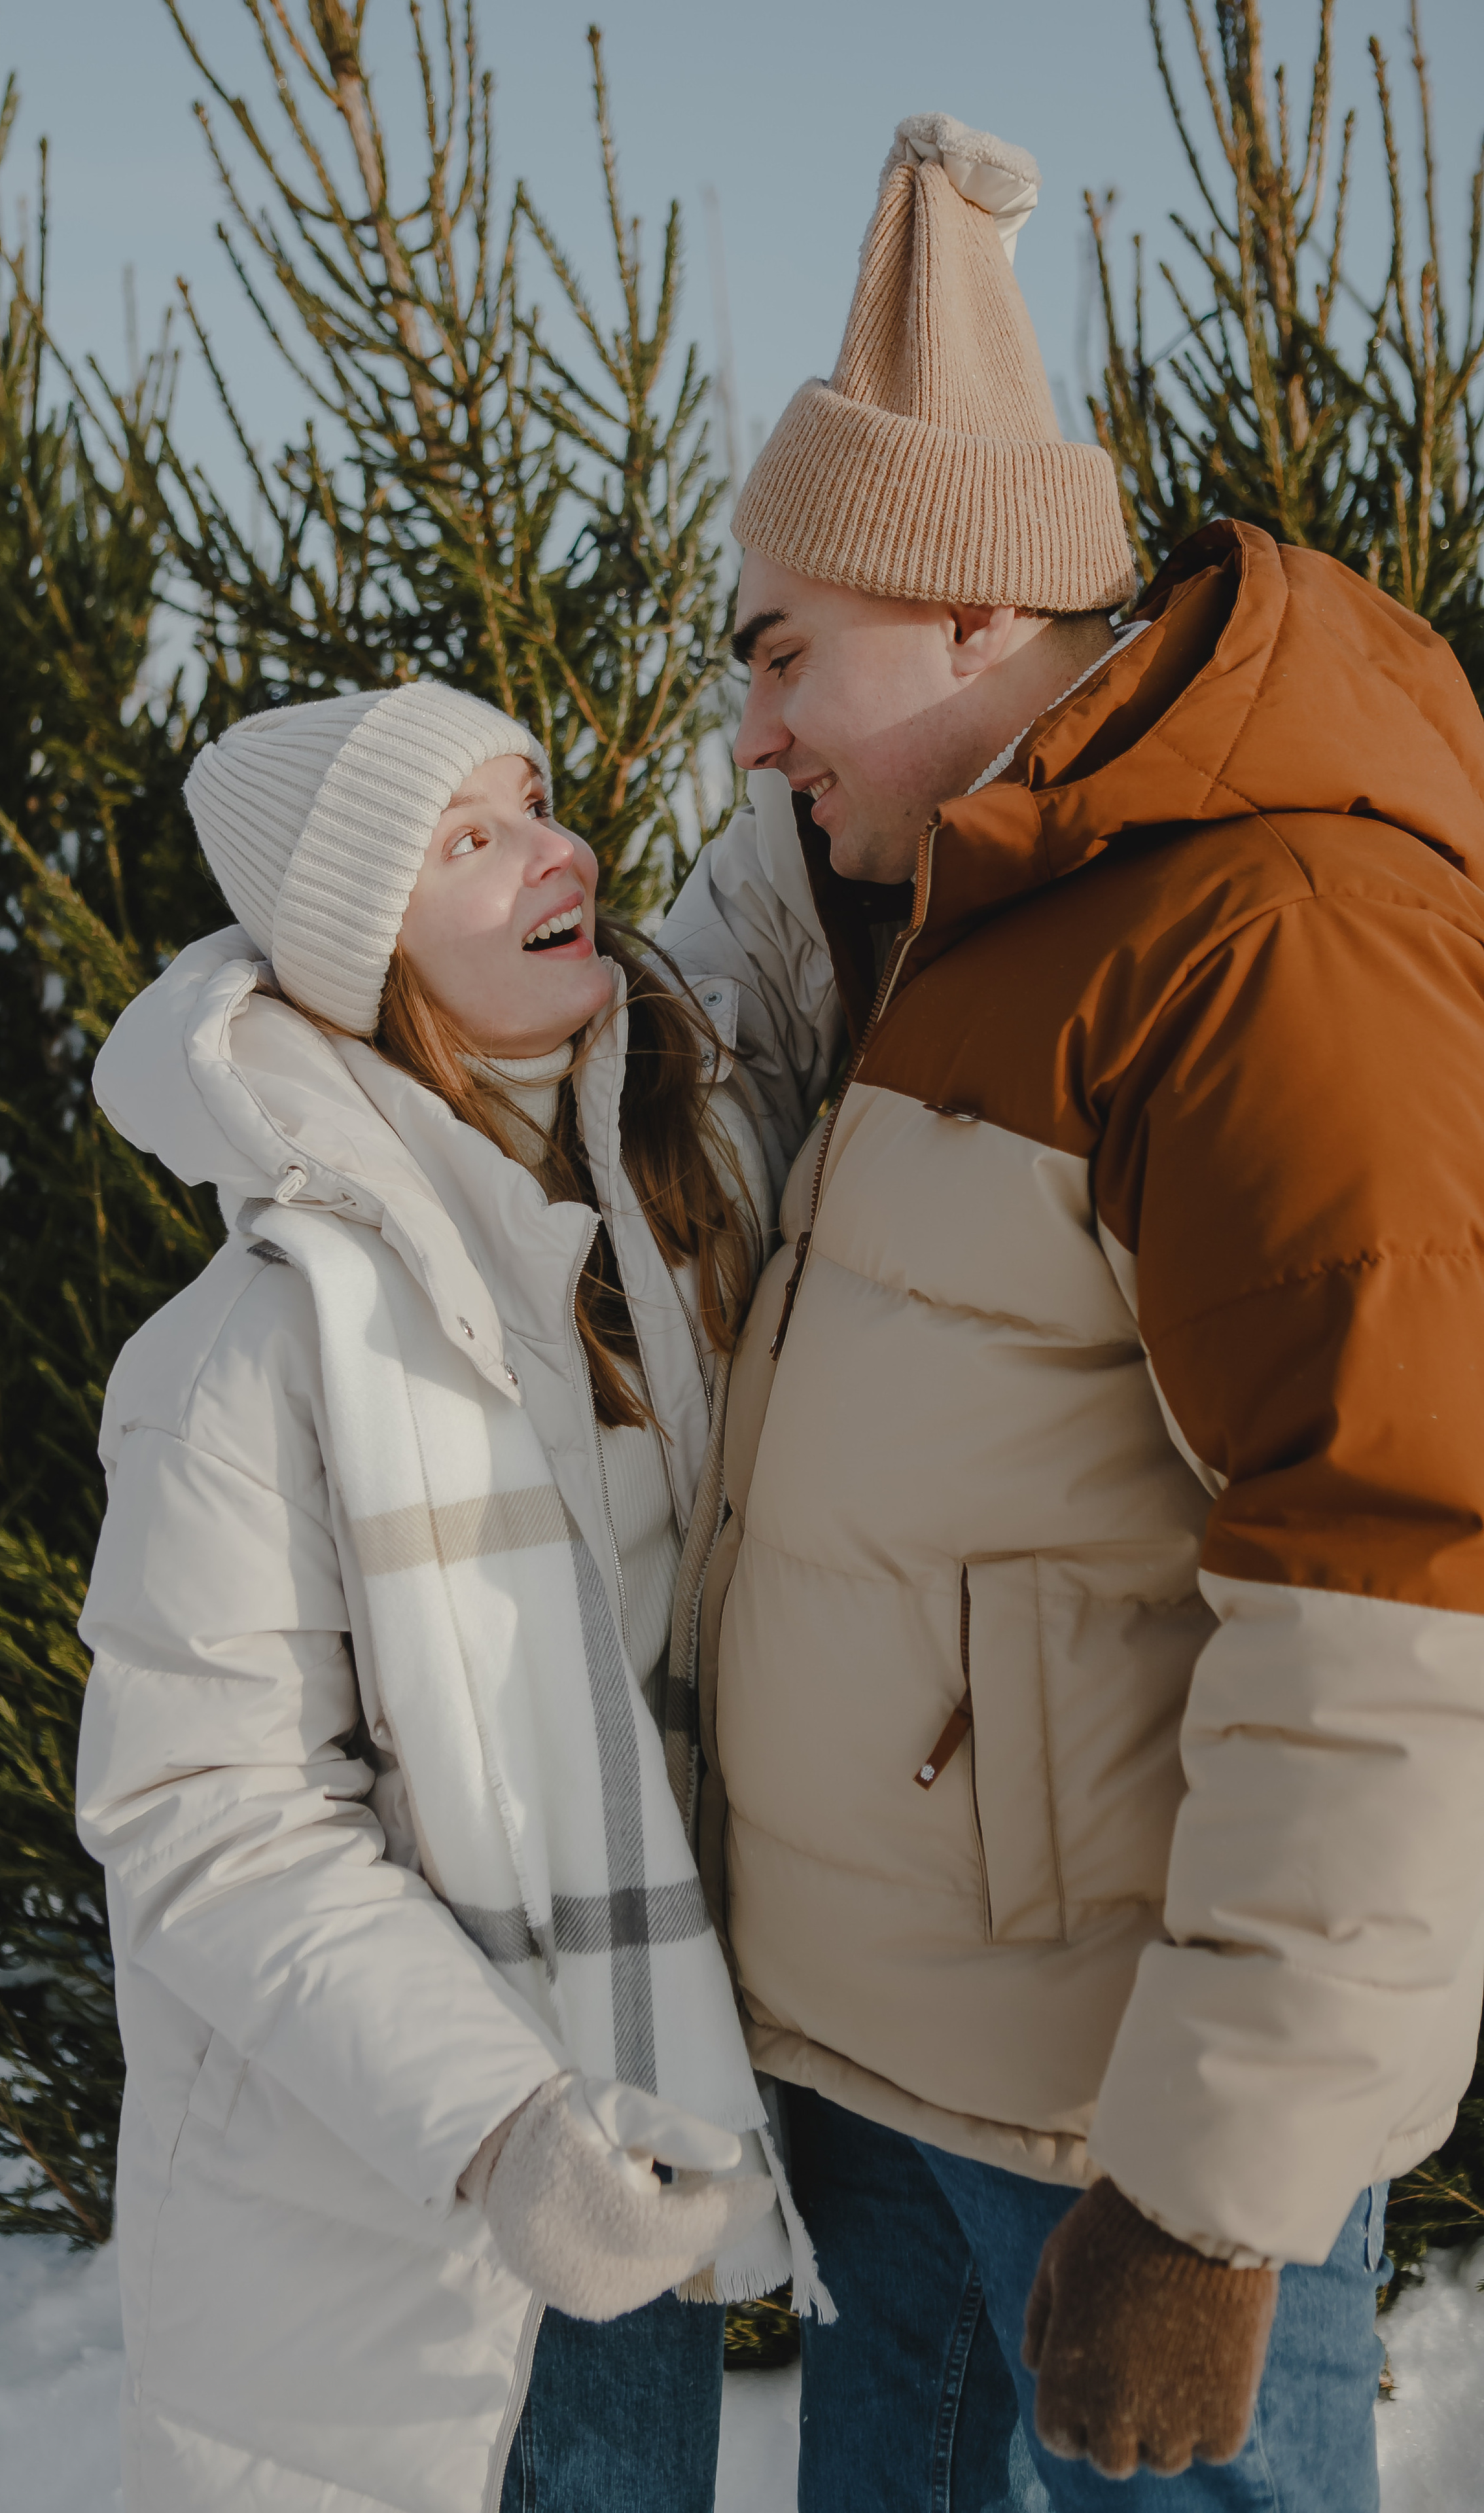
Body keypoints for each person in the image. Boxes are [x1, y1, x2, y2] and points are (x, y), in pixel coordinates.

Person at [655, 109, 1484, 2511]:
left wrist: (1215, 2196)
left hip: (1106, 2130)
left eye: (784, 657)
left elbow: (1397, 1577)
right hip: (890, 2081)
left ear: (970, 619)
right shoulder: (965, 909)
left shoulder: (1266, 943)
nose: (755, 733)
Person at [75, 682, 828, 2513]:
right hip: (406, 2215)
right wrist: (503, 2127)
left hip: (647, 2128)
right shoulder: (256, 1347)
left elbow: (788, 915)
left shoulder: (665, 1201)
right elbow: (206, 1819)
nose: (557, 851)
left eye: (539, 800)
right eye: (469, 840)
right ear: (365, 946)